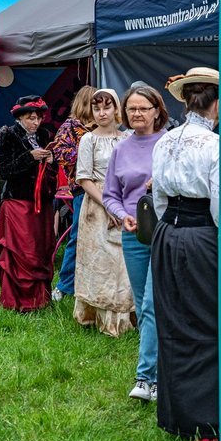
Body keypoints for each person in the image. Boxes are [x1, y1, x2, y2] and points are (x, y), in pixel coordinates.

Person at [151, 67, 221, 441]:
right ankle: (203, 420)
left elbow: (159, 198)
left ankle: (174, 415)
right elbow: (218, 206)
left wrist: (170, 229)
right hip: (200, 236)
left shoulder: (165, 140)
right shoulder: (214, 146)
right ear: (215, 104)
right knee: (204, 321)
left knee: (172, 319)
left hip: (167, 234)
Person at [103, 84, 170, 402]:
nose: (137, 113)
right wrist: (120, 214)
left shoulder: (171, 143)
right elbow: (110, 195)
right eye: (132, 109)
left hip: (167, 232)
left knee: (152, 305)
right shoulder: (121, 148)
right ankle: (158, 374)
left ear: (157, 110)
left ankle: (146, 377)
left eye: (144, 107)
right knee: (145, 308)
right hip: (133, 235)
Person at [71, 89, 133, 334]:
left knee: (123, 261)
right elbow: (84, 179)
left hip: (125, 199)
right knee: (102, 262)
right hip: (97, 205)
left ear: (116, 109)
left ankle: (126, 314)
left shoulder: (126, 138)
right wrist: (109, 205)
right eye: (97, 108)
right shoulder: (89, 139)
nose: (102, 113)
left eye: (107, 107)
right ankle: (99, 315)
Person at [0, 96, 57, 311]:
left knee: (40, 248)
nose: (36, 122)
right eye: (31, 118)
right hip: (17, 201)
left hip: (42, 202)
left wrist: (51, 160)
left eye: (38, 117)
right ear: (20, 117)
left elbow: (53, 169)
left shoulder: (44, 134)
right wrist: (30, 157)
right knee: (21, 251)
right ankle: (16, 300)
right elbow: (4, 169)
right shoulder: (8, 135)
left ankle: (40, 299)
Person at [49, 85, 95, 300]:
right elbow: (59, 153)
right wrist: (88, 150)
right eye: (96, 103)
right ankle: (64, 285)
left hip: (104, 189)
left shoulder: (99, 127)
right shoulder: (71, 126)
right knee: (78, 236)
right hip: (81, 189)